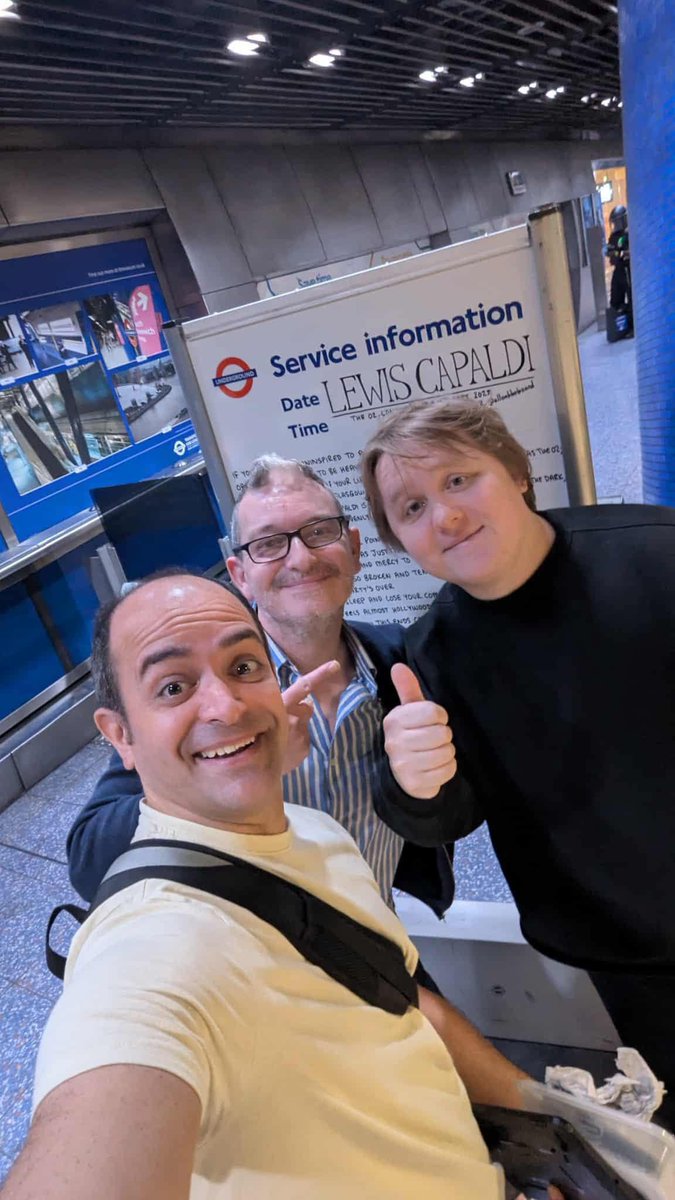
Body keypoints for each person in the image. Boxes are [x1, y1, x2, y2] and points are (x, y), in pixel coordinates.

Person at [2, 571, 534, 1200]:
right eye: (173, 686)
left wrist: (553, 1123)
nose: (227, 706)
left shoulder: (316, 833)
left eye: (245, 666)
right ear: (120, 735)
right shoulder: (151, 957)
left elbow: (406, 1004)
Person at [360, 397, 675, 1125]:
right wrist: (412, 782)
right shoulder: (428, 655)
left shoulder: (655, 554)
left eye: (458, 481)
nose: (443, 517)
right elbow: (446, 815)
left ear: (515, 472)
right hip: (620, 947)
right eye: (411, 507)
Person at [67, 455, 460, 918]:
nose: (301, 558)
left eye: (319, 532)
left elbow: (442, 818)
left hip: (378, 936)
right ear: (240, 575)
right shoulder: (207, 698)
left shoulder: (398, 661)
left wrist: (428, 786)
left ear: (353, 548)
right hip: (257, 963)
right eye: (270, 543)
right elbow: (90, 859)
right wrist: (245, 767)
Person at [606, 204, 631, 312]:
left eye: (618, 222)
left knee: (631, 295)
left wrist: (623, 253)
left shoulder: (629, 234)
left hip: (628, 269)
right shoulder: (613, 237)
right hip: (619, 269)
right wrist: (609, 252)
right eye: (614, 223)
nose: (616, 225)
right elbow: (612, 251)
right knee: (615, 299)